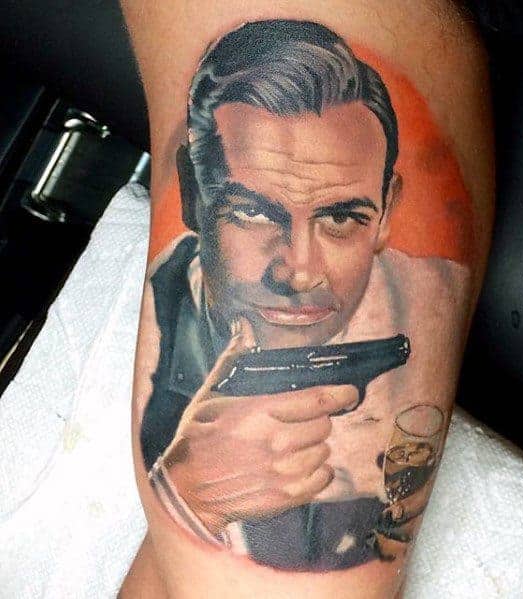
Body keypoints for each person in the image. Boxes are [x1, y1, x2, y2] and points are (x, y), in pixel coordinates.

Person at [120, 3, 493, 597]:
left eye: (342, 218)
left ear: (387, 213)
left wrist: (186, 506)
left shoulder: (416, 303)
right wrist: (188, 495)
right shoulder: (175, 291)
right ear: (193, 194)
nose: (298, 272)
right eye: (252, 212)